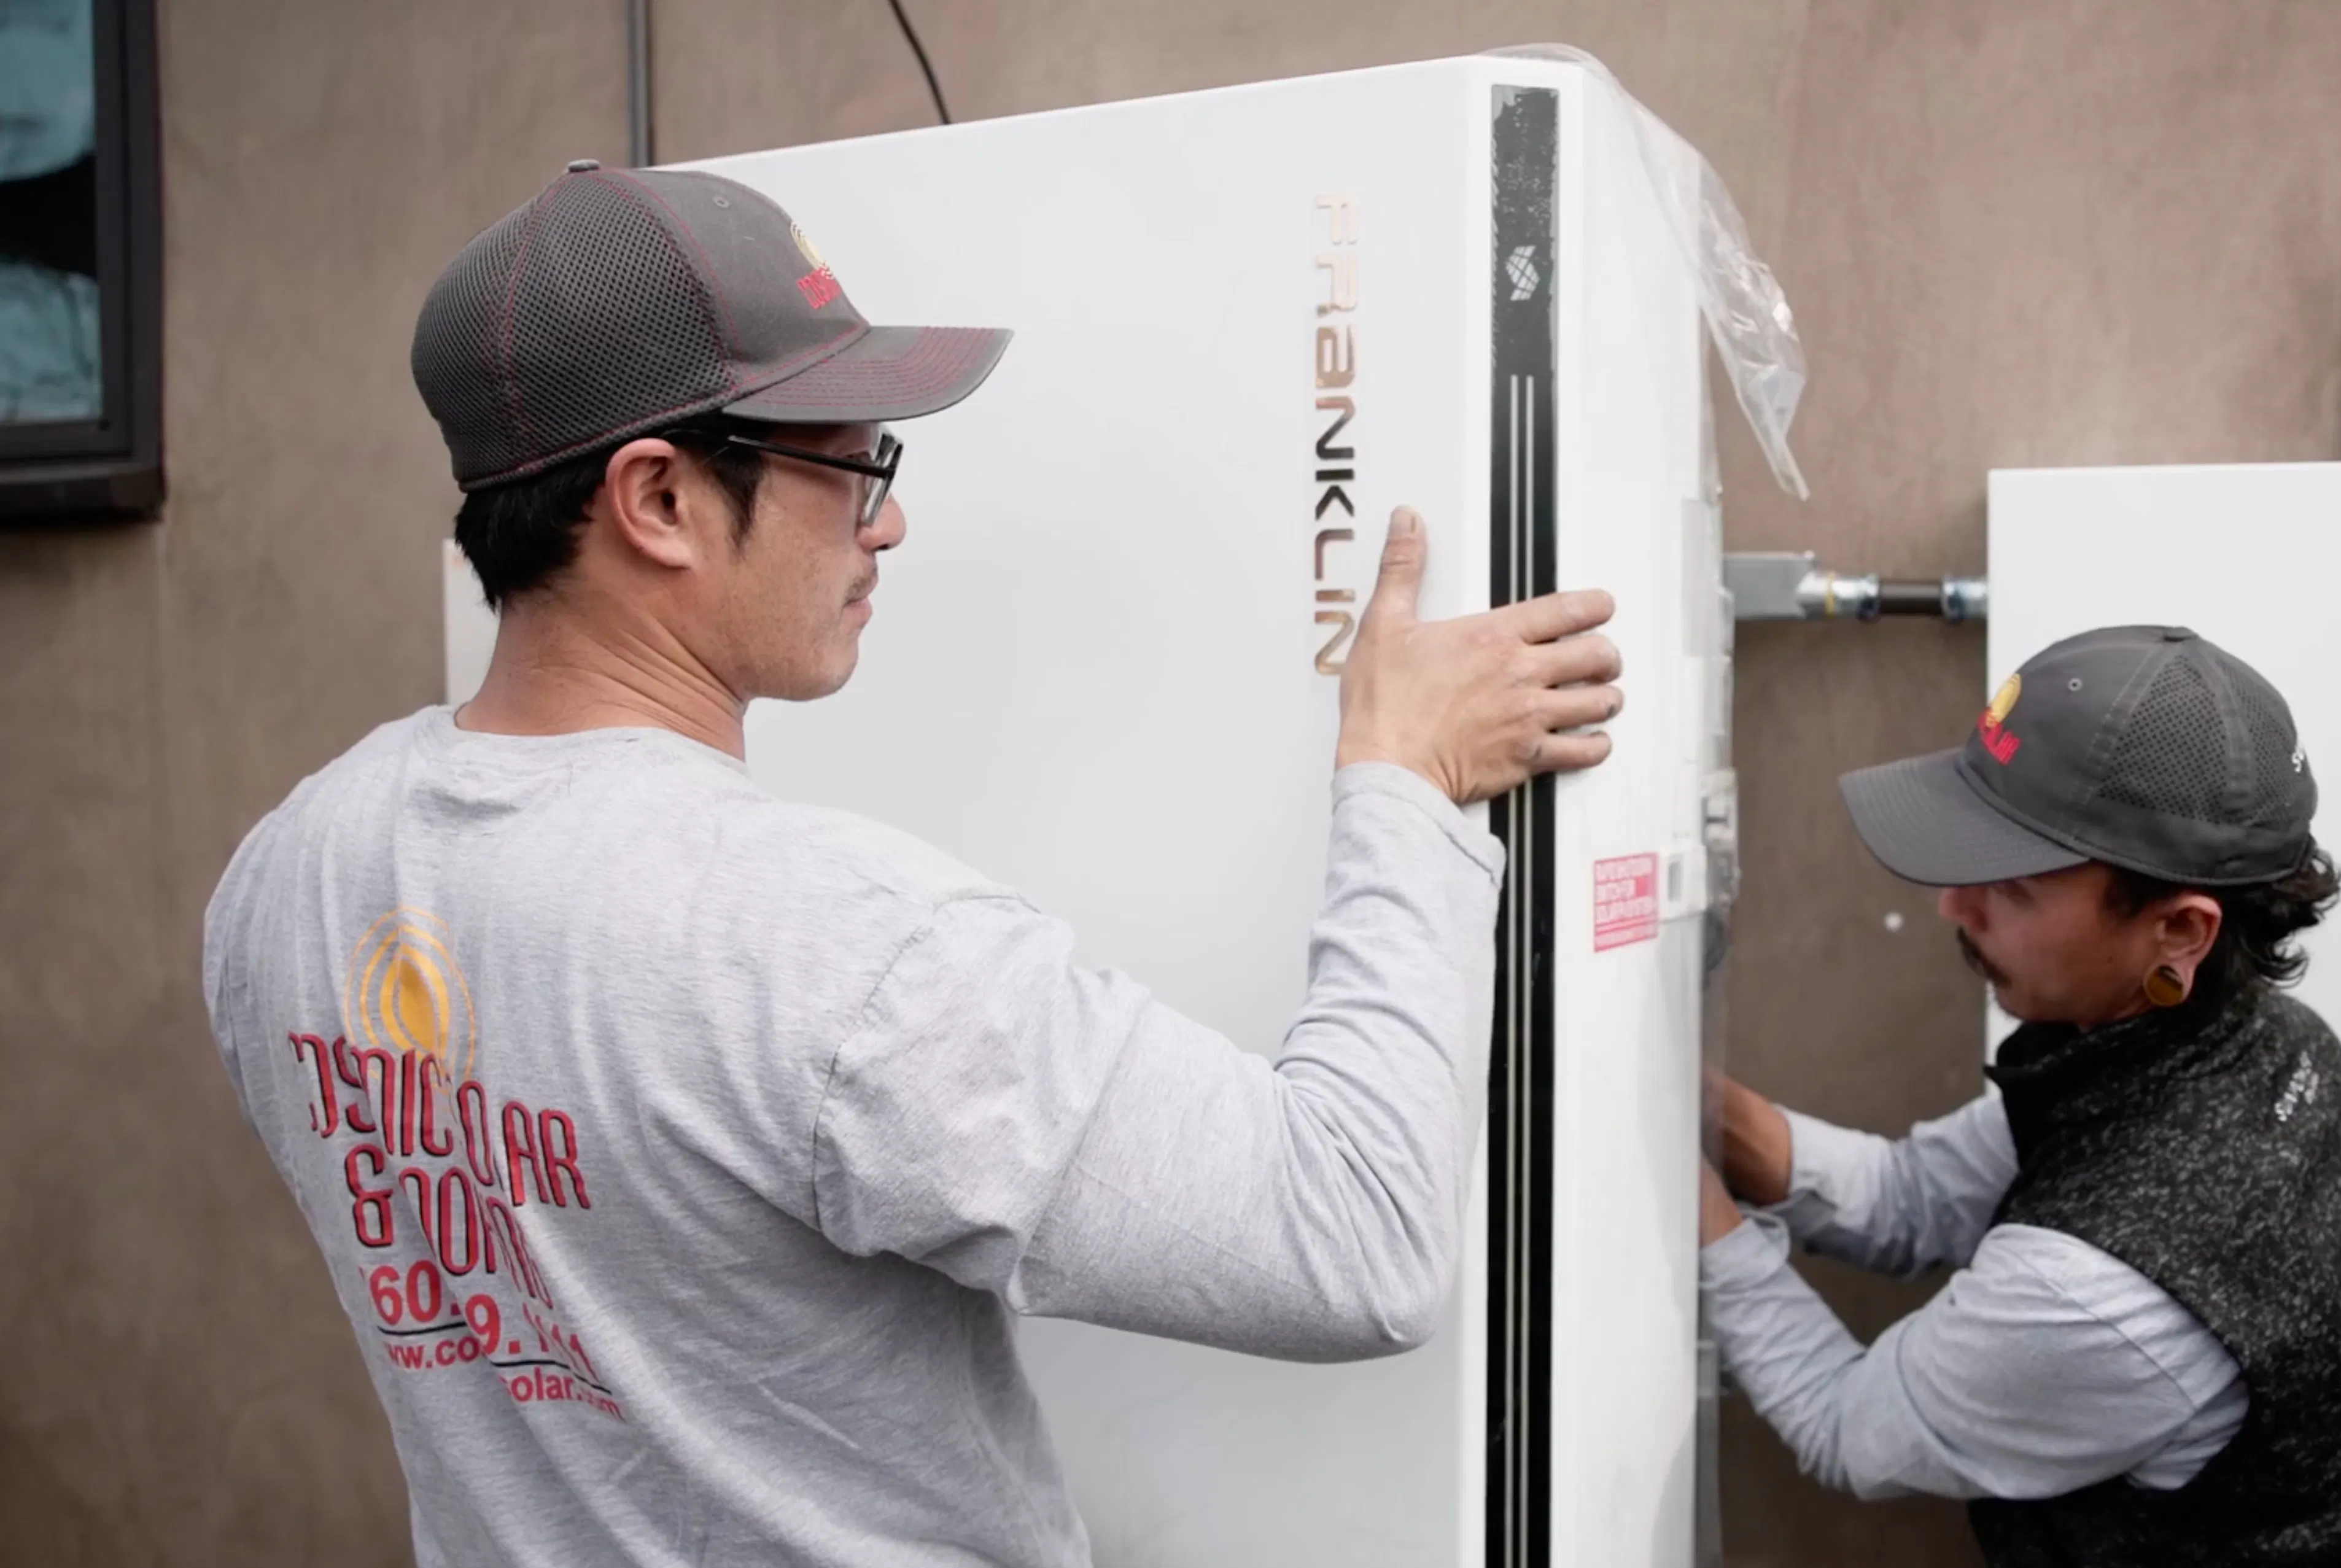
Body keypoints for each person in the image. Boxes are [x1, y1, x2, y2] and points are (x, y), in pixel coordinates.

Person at [201, 161, 1625, 1567]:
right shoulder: (826, 945)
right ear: (660, 501)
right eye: (851, 461)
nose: (887, 519)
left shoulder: (287, 874)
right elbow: (1353, 1236)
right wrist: (1403, 775)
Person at [1701, 624, 2341, 1566]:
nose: (1951, 906)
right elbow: (1911, 1198)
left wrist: (1671, 1193)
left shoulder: (2097, 1291)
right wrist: (1692, 1105)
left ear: (2178, 926)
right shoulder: (2253, 1038)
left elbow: (1846, 1421)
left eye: (2006, 885)